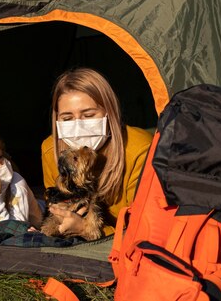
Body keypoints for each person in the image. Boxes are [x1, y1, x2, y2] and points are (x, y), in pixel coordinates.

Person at [41, 67, 153, 237]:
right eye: (67, 118)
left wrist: (86, 230)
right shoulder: (51, 149)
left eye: (88, 115)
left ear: (109, 112)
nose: (78, 125)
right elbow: (56, 207)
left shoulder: (139, 148)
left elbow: (147, 228)